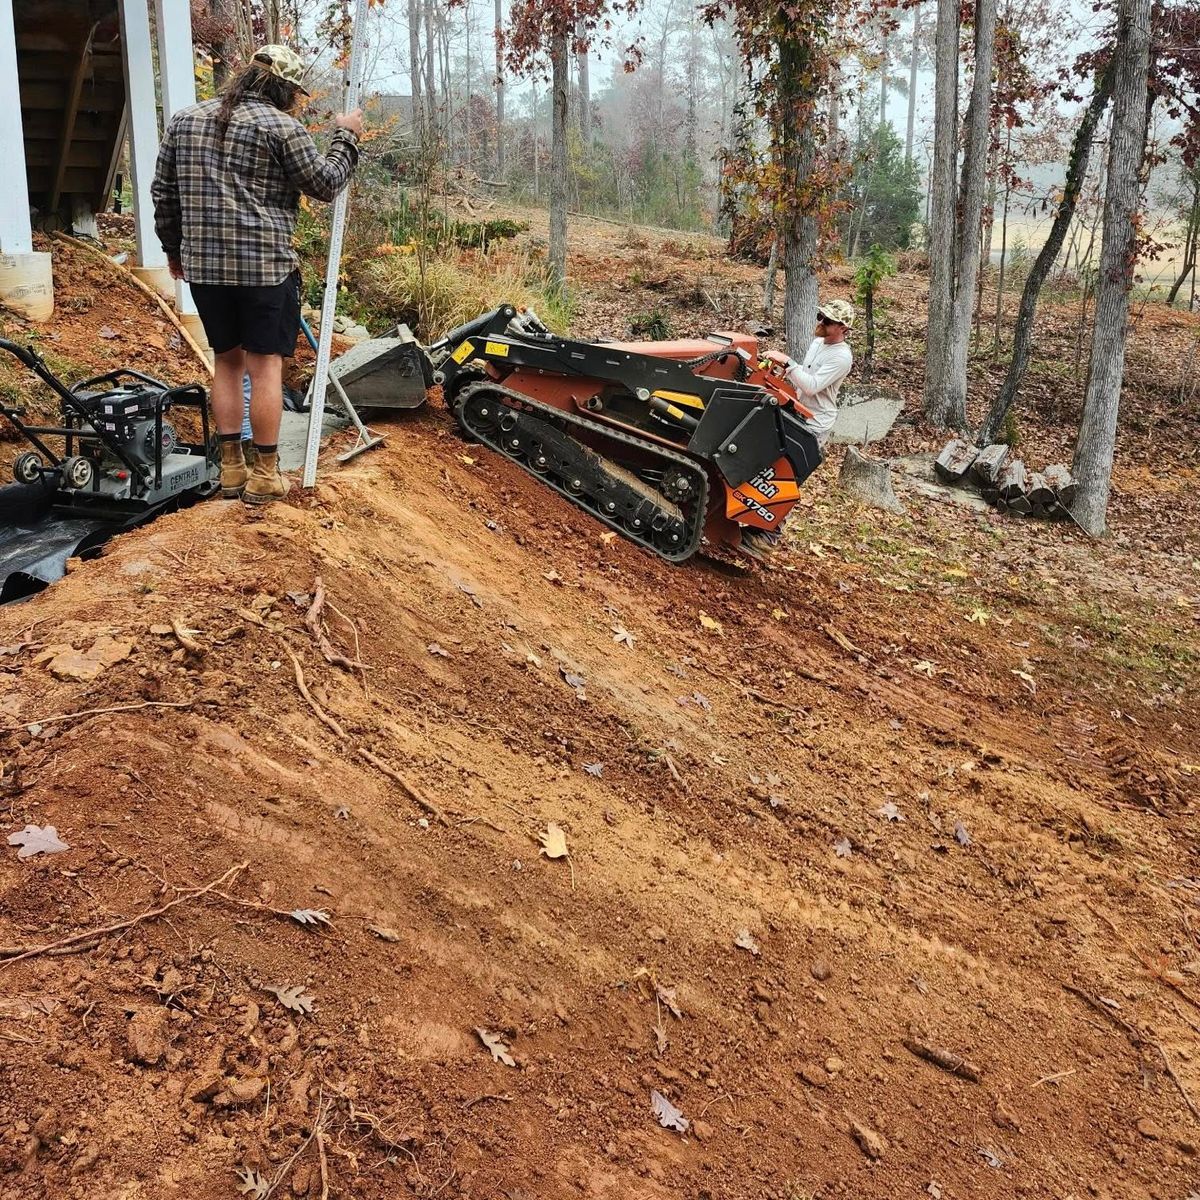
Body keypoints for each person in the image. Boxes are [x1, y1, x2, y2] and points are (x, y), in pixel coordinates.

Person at [151, 45, 363, 505]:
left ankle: (231, 470)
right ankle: (265, 475)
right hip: (265, 268)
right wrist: (346, 138)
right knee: (265, 367)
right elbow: (325, 183)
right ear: (285, 89)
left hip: (206, 269)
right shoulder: (282, 127)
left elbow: (163, 193)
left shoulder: (185, 121)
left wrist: (174, 251)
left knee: (226, 363)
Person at [741, 299, 856, 560]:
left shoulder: (841, 357)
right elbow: (803, 377)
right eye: (821, 317)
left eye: (828, 321)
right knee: (769, 462)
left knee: (790, 473)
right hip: (798, 411)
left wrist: (788, 363)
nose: (822, 323)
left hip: (816, 422)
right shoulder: (817, 343)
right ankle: (752, 514)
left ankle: (770, 534)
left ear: (843, 328)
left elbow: (812, 385)